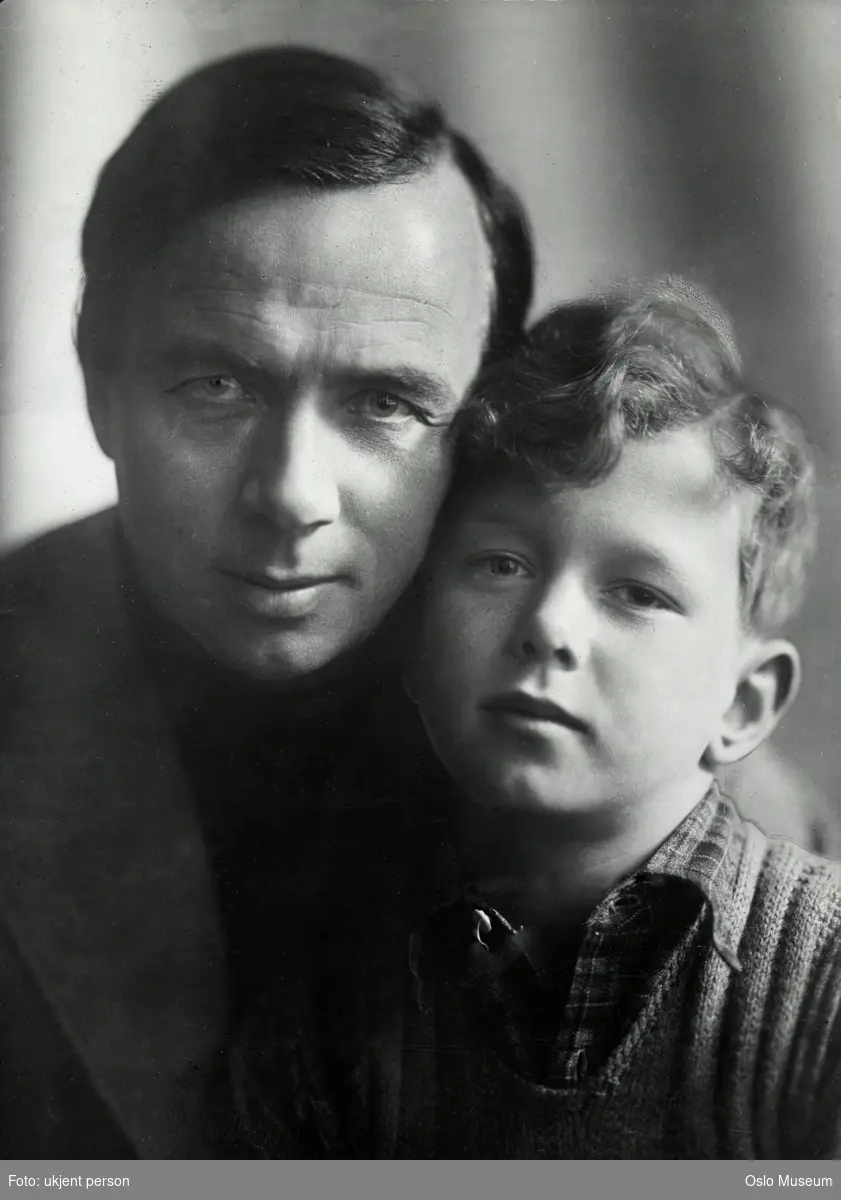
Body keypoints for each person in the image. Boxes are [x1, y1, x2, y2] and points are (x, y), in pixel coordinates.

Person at [0, 47, 832, 1158]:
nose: (292, 495)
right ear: (99, 387)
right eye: (217, 385)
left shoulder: (699, 810)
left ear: (481, 426)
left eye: (385, 403)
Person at [236, 285, 841, 1158]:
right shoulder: (328, 1002)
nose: (549, 627)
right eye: (501, 564)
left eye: (636, 592)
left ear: (743, 703)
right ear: (412, 637)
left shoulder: (818, 976)